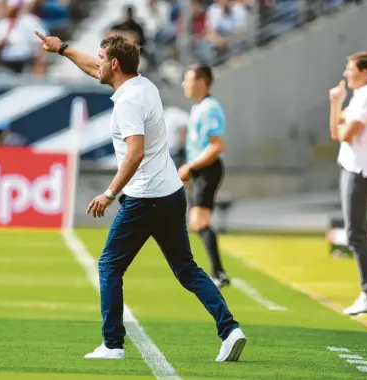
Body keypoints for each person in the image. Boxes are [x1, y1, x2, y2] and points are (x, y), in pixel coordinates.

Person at [34, 31, 247, 361]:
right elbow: (94, 67)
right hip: (171, 193)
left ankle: (112, 344)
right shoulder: (143, 85)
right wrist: (61, 49)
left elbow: (134, 154)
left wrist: (108, 193)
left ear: (115, 64)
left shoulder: (127, 104)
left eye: (103, 59)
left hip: (145, 198)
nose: (98, 64)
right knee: (187, 268)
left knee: (108, 266)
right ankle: (230, 329)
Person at [329, 51, 367, 315]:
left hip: (359, 170)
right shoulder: (360, 97)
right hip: (353, 168)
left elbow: (346, 133)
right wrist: (336, 103)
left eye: (349, 68)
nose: (345, 73)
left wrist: (340, 115)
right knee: (355, 232)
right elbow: (336, 131)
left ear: (364, 72)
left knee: (355, 233)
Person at [178, 65, 230, 289]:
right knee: (196, 222)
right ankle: (218, 272)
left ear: (201, 81)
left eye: (187, 79)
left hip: (208, 169)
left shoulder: (210, 108)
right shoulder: (199, 108)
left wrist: (190, 166)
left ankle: (218, 273)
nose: (183, 84)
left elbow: (217, 146)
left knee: (199, 221)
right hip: (200, 170)